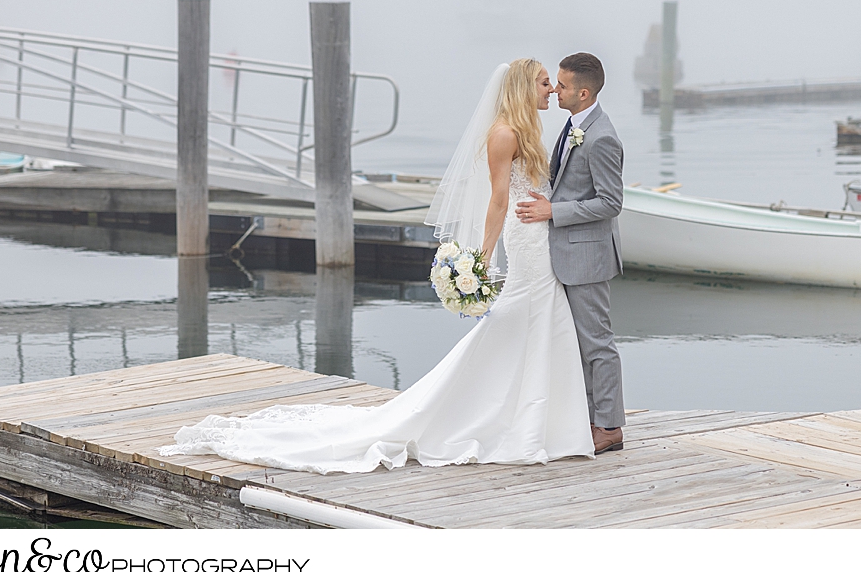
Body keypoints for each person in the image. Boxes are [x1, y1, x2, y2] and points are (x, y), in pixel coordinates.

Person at [158, 59, 595, 474]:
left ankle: (544, 420)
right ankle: (477, 410)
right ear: (522, 87)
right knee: (514, 321)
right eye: (543, 82)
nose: (551, 89)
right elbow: (499, 197)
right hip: (526, 240)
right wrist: (482, 256)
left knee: (542, 323)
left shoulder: (532, 131)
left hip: (540, 235)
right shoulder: (504, 134)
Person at [515, 52, 626, 454]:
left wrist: (552, 211)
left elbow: (611, 203)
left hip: (588, 256)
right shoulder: (573, 125)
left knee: (597, 344)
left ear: (583, 92)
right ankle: (588, 418)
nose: (555, 91)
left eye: (561, 86)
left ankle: (610, 427)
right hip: (565, 253)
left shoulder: (601, 136)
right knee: (577, 344)